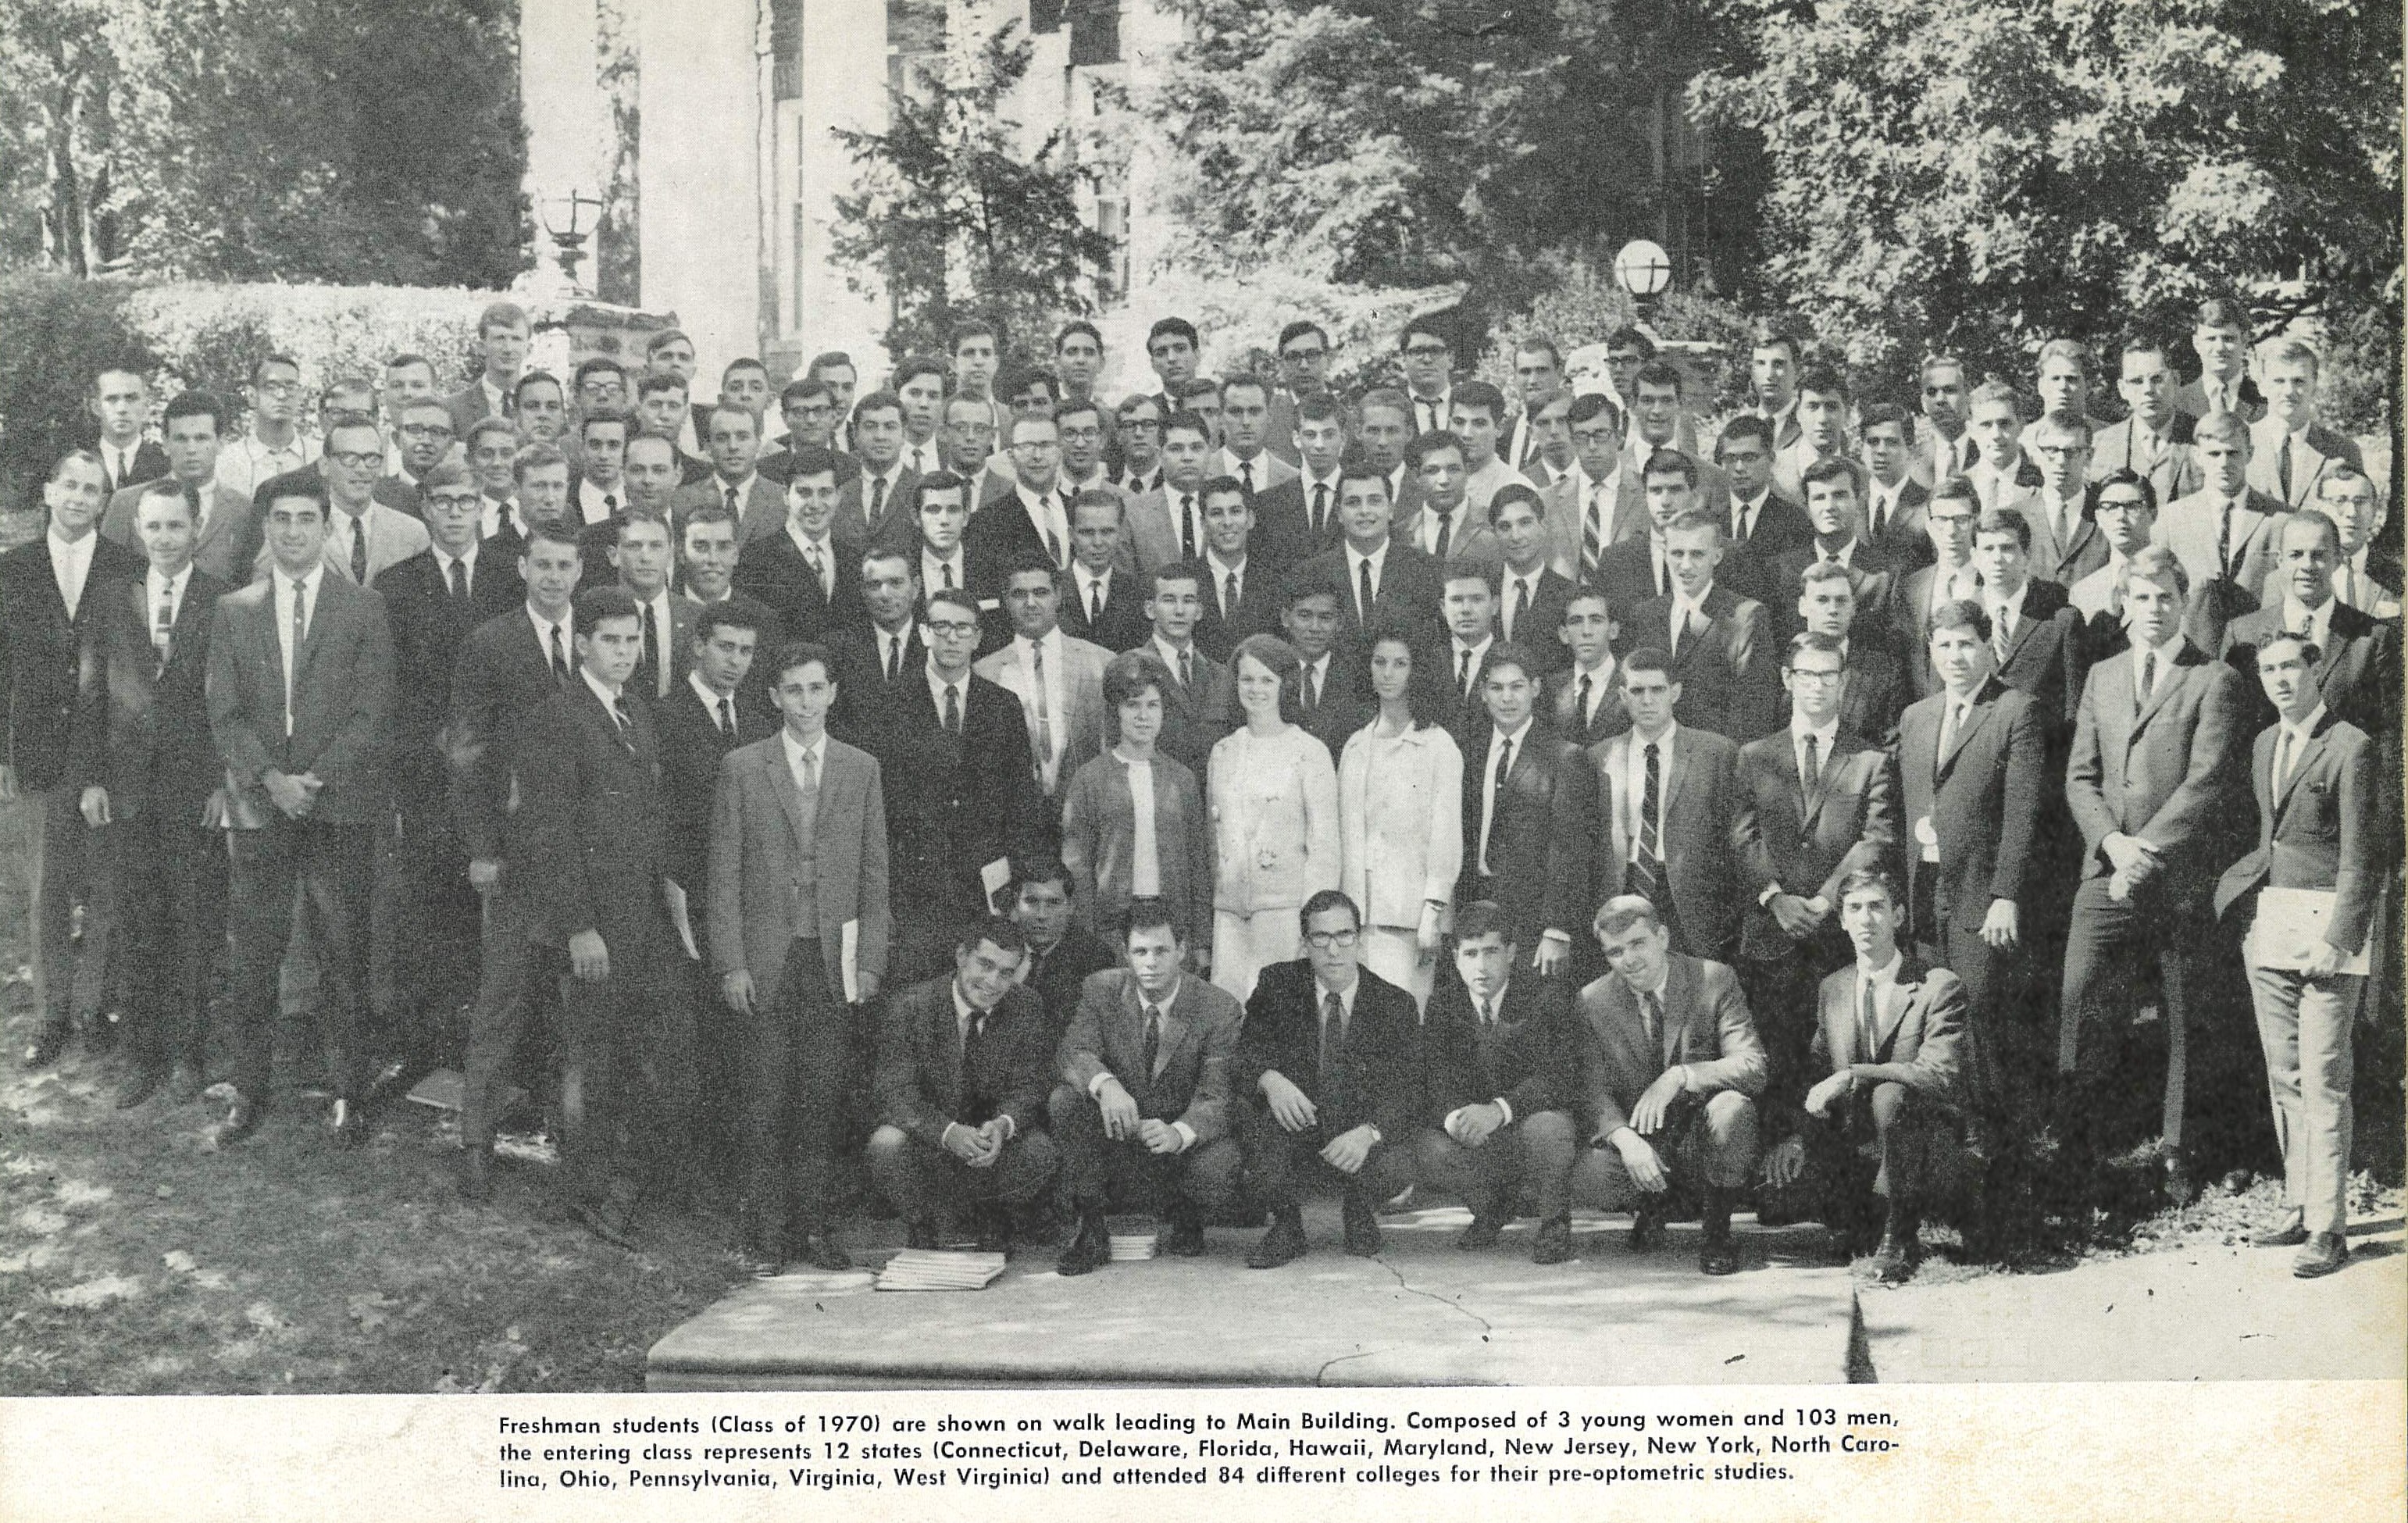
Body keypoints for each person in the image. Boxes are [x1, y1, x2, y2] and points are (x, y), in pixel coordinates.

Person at [205, 475, 395, 1146]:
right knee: (255, 956)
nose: (293, 531)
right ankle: (249, 1089)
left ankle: (347, 1090)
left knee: (343, 952)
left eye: (306, 518)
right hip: (259, 809)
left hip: (336, 806)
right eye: (281, 518)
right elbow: (223, 711)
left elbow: (372, 709)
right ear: (265, 527)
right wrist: (270, 778)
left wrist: (314, 779)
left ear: (326, 527)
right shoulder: (234, 610)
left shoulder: (363, 608)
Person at [2058, 546, 2249, 1205]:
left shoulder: (2214, 679)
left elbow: (2208, 782)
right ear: (2123, 602)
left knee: (2183, 1018)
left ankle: (2177, 1151)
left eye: (2165, 596)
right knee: (2080, 1003)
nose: (2153, 609)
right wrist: (2113, 845)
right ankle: (2078, 1154)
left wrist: (2144, 853)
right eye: (2140, 597)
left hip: (2178, 878)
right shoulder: (2102, 675)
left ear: (2182, 600)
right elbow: (2080, 777)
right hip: (2106, 871)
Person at [708, 640, 891, 1274]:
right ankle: (766, 1231)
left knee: (820, 1099)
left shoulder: (860, 768)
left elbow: (874, 874)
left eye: (816, 689)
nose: (806, 702)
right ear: (773, 697)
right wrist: (731, 962)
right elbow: (724, 874)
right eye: (793, 690)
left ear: (833, 693)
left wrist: (870, 960)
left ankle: (814, 1227)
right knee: (764, 1097)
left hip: (831, 959)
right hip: (767, 957)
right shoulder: (743, 767)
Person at [515, 587, 687, 1247]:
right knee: (590, 1061)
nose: (623, 652)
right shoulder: (556, 716)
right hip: (593, 924)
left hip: (644, 917)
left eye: (632, 640)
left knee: (652, 1054)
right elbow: (549, 831)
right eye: (610, 640)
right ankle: (587, 1193)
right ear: (582, 643)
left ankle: (630, 1181)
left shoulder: (635, 711)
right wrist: (578, 926)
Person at [2213, 631, 2382, 1279]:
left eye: (2290, 666)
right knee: (2283, 1075)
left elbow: (2362, 857)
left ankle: (2326, 1227)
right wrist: (2247, 913)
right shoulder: (2264, 743)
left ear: (2315, 670)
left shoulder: (2350, 746)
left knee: (2323, 1079)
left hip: (2325, 937)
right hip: (2272, 930)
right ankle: (2297, 1203)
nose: (2280, 679)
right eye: (2268, 670)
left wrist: (2337, 938)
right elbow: (2271, 840)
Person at [66, 483, 230, 1107]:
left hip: (194, 790)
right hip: (128, 788)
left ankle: (188, 1054)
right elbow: (91, 694)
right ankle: (142, 1056)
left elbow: (233, 699)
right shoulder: (111, 597)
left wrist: (220, 782)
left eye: (176, 526)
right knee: (137, 921)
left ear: (196, 528)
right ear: (137, 529)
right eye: (154, 526)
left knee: (193, 923)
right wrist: (91, 778)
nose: (164, 538)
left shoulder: (223, 599)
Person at [369, 462, 524, 1092]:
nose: (456, 512)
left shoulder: (509, 578)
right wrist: (424, 751)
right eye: (444, 502)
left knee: (505, 914)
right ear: (426, 508)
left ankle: (503, 1056)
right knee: (431, 909)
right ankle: (429, 1045)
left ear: (483, 508)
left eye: (467, 501)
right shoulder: (397, 584)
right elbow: (387, 686)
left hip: (499, 776)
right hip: (428, 775)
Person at [450, 519, 585, 1200]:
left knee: (575, 1004)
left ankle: (574, 1139)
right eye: (543, 565)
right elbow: (466, 753)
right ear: (524, 569)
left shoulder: (599, 638)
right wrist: (482, 848)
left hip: (582, 857)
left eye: (565, 565)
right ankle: (476, 1141)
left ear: (580, 571)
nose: (554, 577)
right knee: (501, 1001)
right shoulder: (491, 642)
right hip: (515, 852)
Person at [1760, 869, 1972, 1283]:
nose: (1865, 919)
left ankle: (1899, 1238)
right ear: (1841, 920)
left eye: (1877, 907)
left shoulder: (1938, 986)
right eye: (1854, 909)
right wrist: (1797, 1137)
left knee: (1890, 1093)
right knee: (1776, 1202)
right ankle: (1863, 1213)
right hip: (1859, 1146)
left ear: (1898, 916)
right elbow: (1818, 1073)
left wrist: (1853, 1075)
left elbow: (1938, 1075)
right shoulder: (1833, 988)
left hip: (1925, 1143)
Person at [4, 451, 146, 1069]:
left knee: (107, 886)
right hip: (38, 753)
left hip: (106, 754)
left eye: (92, 490)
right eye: (70, 485)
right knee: (48, 889)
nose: (80, 498)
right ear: (48, 491)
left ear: (105, 502)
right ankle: (50, 1015)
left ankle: (93, 1007)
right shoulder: (13, 568)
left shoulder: (127, 567)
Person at [1895, 601, 2046, 1129]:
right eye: (1944, 645)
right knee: (1930, 1019)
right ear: (1930, 651)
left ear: (1988, 647)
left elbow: (2021, 813)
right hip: (1924, 891)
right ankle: (1944, 1147)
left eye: (1966, 644)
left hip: (1980, 896)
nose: (1955, 656)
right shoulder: (1916, 716)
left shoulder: (2015, 710)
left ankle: (1996, 1143)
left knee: (1979, 1018)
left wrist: (2005, 894)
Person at [1732, 633, 1900, 1097]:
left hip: (1838, 939)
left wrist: (1827, 901)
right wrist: (1775, 899)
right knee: (1775, 1066)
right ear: (1788, 679)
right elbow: (1742, 837)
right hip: (1770, 936)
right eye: (1808, 675)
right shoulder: (1753, 757)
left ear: (1843, 682)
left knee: (1838, 1065)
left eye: (1829, 676)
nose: (1818, 686)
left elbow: (1876, 839)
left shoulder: (1871, 760)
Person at [1564, 894, 1768, 1276]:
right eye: (1615, 952)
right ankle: (1650, 1206)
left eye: (1638, 944)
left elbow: (1752, 1065)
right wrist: (1625, 1140)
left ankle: (1718, 1231)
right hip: (1645, 1141)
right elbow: (1592, 1090)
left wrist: (1680, 1076)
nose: (1629, 960)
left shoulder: (1713, 978)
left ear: (1663, 937)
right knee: (1591, 1173)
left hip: (1701, 1137)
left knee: (1733, 1110)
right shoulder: (1593, 1001)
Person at [866, 585, 1047, 985]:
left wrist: (1013, 887)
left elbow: (1022, 804)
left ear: (978, 637)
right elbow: (878, 808)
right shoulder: (888, 704)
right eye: (941, 626)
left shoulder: (1002, 706)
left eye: (963, 628)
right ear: (923, 633)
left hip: (985, 890)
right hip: (914, 893)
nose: (951, 637)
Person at [1051, 905, 1247, 1274]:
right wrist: (1107, 1085)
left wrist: (1179, 1133)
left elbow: (1219, 1095)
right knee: (1065, 1101)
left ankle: (1188, 1215)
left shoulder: (1218, 1007)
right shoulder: (1101, 990)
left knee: (1221, 1164)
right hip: (1121, 1136)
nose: (1151, 963)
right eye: (1140, 952)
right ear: (1126, 953)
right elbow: (1074, 1051)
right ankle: (1091, 1225)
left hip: (1179, 1149)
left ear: (1182, 951)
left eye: (1162, 951)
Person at [1233, 890, 1423, 1267]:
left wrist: (1369, 1132)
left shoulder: (1394, 1003)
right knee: (1251, 1117)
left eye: (1344, 936)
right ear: (1305, 943)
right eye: (1320, 938)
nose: (1333, 950)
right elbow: (1245, 1052)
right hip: (1296, 1126)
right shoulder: (1278, 984)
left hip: (1357, 1136)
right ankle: (1287, 1225)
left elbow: (1410, 1088)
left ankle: (1359, 1209)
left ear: (1360, 939)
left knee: (1402, 1159)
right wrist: (1270, 1079)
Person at [867, 918, 1061, 1250]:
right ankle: (923, 1223)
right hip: (931, 1146)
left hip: (991, 1151)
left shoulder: (1026, 1006)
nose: (992, 982)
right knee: (886, 1144)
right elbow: (895, 1092)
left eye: (1006, 973)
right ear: (961, 956)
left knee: (1039, 1151)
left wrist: (1003, 1125)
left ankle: (995, 1217)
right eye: (985, 965)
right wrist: (948, 1132)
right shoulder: (912, 1006)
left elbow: (1030, 1086)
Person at [1412, 901, 1579, 1262]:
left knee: (1549, 1128)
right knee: (1430, 1147)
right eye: (1470, 954)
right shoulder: (1444, 1003)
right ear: (1455, 958)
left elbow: (1557, 1077)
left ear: (1512, 953)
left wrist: (1499, 1110)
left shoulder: (1545, 996)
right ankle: (1493, 1209)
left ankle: (1554, 1224)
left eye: (1491, 952)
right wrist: (1454, 1118)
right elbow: (1434, 1077)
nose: (1481, 966)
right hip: (1482, 1133)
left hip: (1529, 1120)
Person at [1207, 633, 1342, 1001]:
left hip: (1285, 916)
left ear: (1285, 684)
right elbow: (1213, 839)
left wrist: (1313, 923)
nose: (1256, 689)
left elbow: (1324, 847)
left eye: (1267, 680)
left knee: (1279, 1012)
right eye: (1247, 679)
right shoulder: (1223, 752)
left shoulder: (1309, 752)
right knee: (1228, 1011)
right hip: (1230, 918)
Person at [1589, 647, 1743, 964]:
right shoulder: (1600, 758)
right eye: (1637, 691)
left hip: (1690, 899)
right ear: (1623, 696)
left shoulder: (1715, 753)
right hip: (1626, 890)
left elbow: (1735, 838)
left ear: (1675, 692)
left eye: (1657, 690)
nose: (1647, 700)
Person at [1337, 628, 1465, 1006]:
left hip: (1410, 918)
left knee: (1405, 1018)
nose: (1388, 673)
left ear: (1416, 671)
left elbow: (1446, 835)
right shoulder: (1355, 746)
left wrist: (1433, 912)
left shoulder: (1438, 745)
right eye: (1380, 662)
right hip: (1357, 918)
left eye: (1400, 664)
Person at [1060, 651, 1213, 953]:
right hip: (1111, 931)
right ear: (1116, 710)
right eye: (1132, 705)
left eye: (1153, 705)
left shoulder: (1182, 779)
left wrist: (1201, 942)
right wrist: (1087, 939)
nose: (1143, 716)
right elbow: (1078, 869)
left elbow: (1197, 865)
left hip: (1172, 929)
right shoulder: (1089, 779)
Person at [1459, 643, 1594, 981]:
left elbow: (1570, 849)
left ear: (1534, 688)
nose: (1507, 698)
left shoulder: (1563, 757)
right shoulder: (1468, 752)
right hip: (1475, 905)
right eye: (1496, 688)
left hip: (1532, 916)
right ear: (1483, 693)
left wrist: (1557, 928)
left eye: (1516, 686)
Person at [2221, 509, 2398, 742]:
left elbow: (2389, 734)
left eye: (2319, 555)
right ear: (2280, 561)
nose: (2307, 565)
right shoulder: (2243, 634)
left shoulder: (2373, 638)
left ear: (2337, 560)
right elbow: (2229, 729)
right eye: (2296, 555)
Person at [1619, 508, 1775, 740]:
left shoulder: (1745, 617)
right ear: (1665, 553)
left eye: (1697, 554)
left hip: (1716, 755)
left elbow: (1752, 714)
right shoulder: (1645, 615)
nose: (1686, 565)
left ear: (1717, 556)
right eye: (1677, 553)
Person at [973, 560, 1112, 808]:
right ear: (1006, 600)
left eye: (1041, 592)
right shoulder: (985, 672)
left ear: (1058, 595)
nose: (1030, 603)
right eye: (1019, 594)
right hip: (1016, 813)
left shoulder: (1101, 662)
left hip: (1086, 808)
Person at [2160, 409, 2291, 654]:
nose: (2224, 463)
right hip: (2195, 651)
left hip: (2262, 648)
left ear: (2250, 454)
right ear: (2198, 456)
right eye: (2214, 454)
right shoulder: (2171, 518)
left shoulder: (2281, 519)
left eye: (2233, 453)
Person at [98, 389, 259, 585]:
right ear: (165, 444)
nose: (191, 449)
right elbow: (104, 581)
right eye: (181, 439)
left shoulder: (243, 509)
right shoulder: (126, 503)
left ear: (220, 443)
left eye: (201, 438)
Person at [1292, 458, 1444, 640]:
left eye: (1374, 501)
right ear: (1339, 513)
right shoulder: (1312, 573)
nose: (1364, 511)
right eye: (1353, 502)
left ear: (1390, 509)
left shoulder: (1427, 570)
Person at [732, 447, 864, 644]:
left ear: (839, 496)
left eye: (825, 492)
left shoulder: (854, 559)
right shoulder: (755, 559)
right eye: (804, 493)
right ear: (786, 495)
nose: (815, 504)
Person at [1004, 860, 1123, 1043]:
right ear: (1015, 905)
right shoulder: (997, 948)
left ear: (1070, 907)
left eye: (1053, 903)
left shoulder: (1094, 959)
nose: (1042, 915)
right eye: (1032, 901)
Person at [1894, 477, 1987, 697]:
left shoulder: (1992, 583)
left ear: (1976, 523)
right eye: (1941, 520)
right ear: (1929, 526)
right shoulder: (1910, 588)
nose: (1951, 531)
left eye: (1961, 520)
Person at [1142, 564, 1237, 778]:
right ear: (1150, 609)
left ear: (1199, 611)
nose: (1179, 610)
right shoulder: (1134, 669)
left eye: (1188, 600)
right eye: (1169, 600)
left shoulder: (1221, 676)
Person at [2092, 333, 2204, 507]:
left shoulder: (2204, 438)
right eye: (2137, 381)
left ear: (2175, 380)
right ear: (2122, 389)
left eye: (2157, 379)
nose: (2148, 390)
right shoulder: (2099, 445)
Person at [1545, 394, 1646, 584]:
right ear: (1572, 441)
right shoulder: (1547, 501)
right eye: (1581, 437)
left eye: (1600, 435)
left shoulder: (1646, 493)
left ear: (1619, 438)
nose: (1591, 446)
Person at [1192, 477, 1279, 660]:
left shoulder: (1275, 581)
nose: (1227, 522)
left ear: (1250, 519)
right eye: (1216, 513)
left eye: (1235, 511)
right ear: (1203, 524)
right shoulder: (1188, 579)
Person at [2017, 413, 2107, 587]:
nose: (2060, 461)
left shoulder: (2108, 513)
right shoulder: (2017, 516)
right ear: (2036, 455)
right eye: (2051, 451)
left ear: (2089, 456)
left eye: (2071, 452)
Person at [1489, 483, 1575, 665]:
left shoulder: (1569, 594)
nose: (1516, 536)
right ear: (1494, 533)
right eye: (1505, 527)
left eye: (1525, 523)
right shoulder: (1485, 589)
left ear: (1543, 527)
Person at [672, 403, 781, 543]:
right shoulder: (681, 500)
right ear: (708, 447)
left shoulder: (782, 499)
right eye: (722, 438)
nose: (733, 447)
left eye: (743, 437)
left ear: (758, 444)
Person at [215, 354, 319, 500]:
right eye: (271, 387)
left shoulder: (320, 455)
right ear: (252, 395)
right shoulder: (228, 460)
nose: (281, 395)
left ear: (299, 395)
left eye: (290, 387)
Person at [1058, 489, 1148, 651]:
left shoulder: (1139, 592)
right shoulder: (1053, 588)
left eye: (1107, 532)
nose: (1098, 542)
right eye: (1087, 533)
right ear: (1071, 535)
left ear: (1120, 533)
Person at [1544, 587, 1629, 747]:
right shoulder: (1551, 689)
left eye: (1596, 620)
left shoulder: (1632, 683)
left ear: (1613, 630)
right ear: (1564, 634)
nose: (1586, 631)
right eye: (1576, 622)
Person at [840, 390, 918, 555]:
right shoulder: (839, 484)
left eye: (890, 427)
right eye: (870, 427)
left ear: (904, 434)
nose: (880, 436)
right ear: (855, 434)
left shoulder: (920, 487)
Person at [1858, 402, 1932, 570]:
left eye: (1892, 442)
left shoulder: (1928, 504)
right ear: (1862, 449)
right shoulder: (1850, 502)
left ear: (1910, 450)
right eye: (1873, 442)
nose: (1881, 451)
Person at [441, 300, 530, 440]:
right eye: (499, 338)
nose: (508, 349)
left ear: (528, 349)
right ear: (481, 348)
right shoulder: (452, 409)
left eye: (516, 339)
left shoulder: (541, 406)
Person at [2176, 295, 2266, 423]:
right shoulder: (2176, 402)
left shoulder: (2265, 402)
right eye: (2211, 339)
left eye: (2228, 339)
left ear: (2245, 340)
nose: (2220, 348)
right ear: (2196, 343)